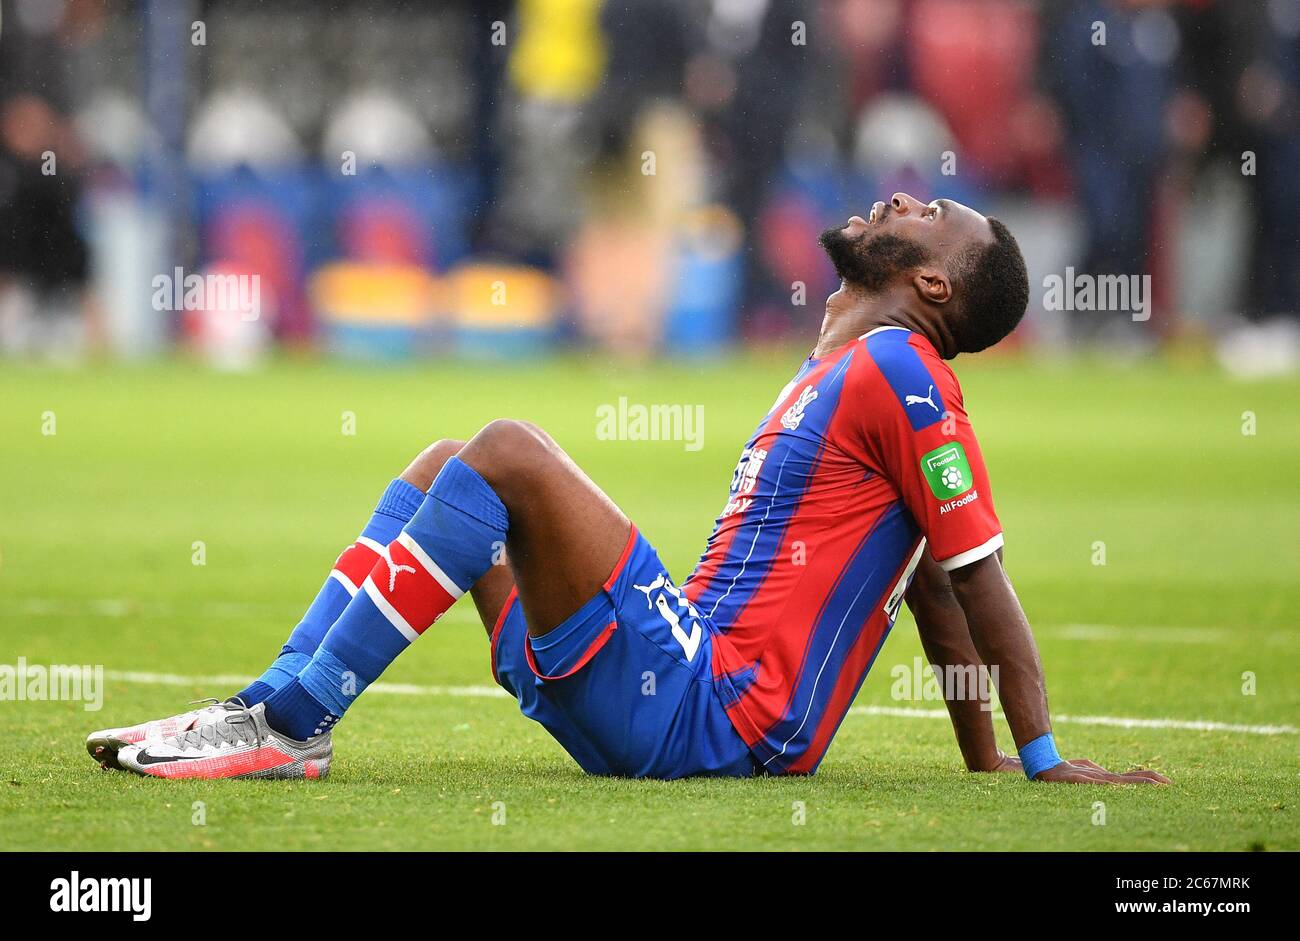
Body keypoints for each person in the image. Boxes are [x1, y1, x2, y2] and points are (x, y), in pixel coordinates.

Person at [87, 193, 1169, 786]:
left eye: (930, 211)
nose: (902, 195)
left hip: (717, 713)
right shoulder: (841, 367)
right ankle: (276, 706)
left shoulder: (903, 373)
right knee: (440, 464)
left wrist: (1036, 759)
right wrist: (980, 764)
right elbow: (930, 591)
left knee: (506, 448)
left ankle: (288, 722)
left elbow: (973, 575)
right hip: (669, 687)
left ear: (931, 283)